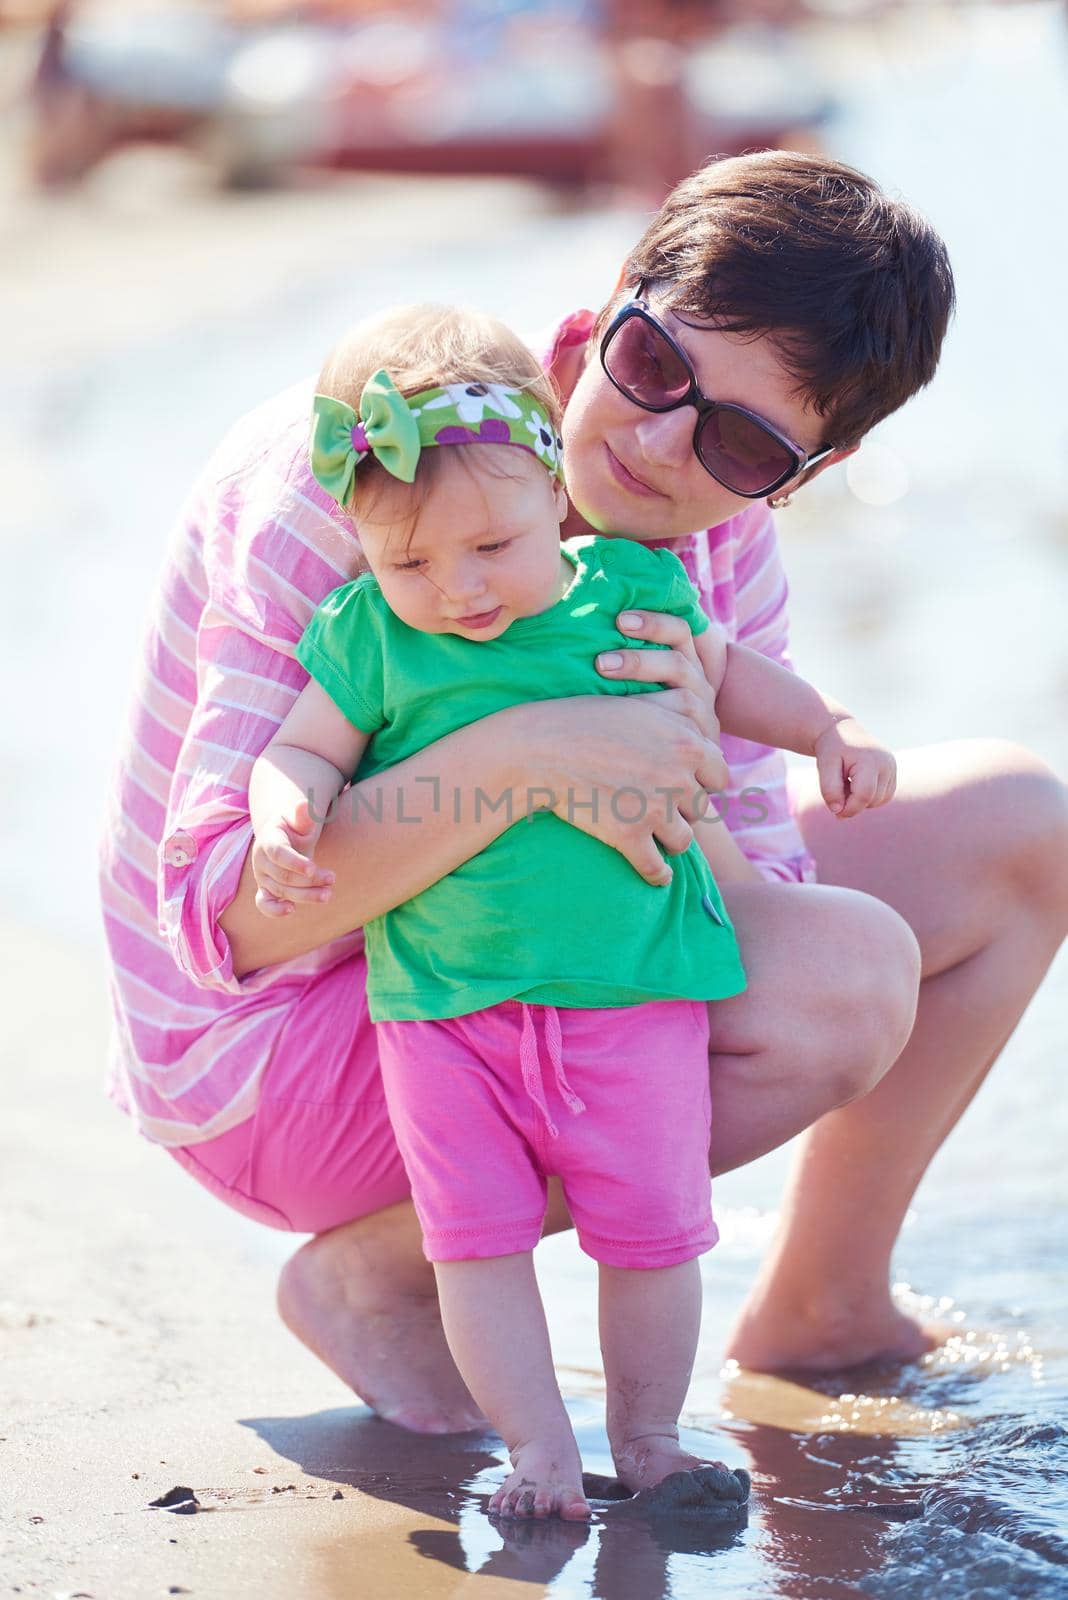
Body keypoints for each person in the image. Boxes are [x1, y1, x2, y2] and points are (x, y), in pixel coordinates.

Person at [97, 150, 1068, 1437]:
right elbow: (226, 921)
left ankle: (825, 1302)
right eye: (658, 368)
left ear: (808, 473)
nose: (661, 446)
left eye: (738, 439)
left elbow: (753, 906)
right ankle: (381, 1274)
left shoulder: (721, 541)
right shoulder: (377, 475)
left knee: (1021, 830)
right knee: (842, 987)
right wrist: (535, 751)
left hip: (495, 949)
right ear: (615, 295)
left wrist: (678, 756)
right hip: (265, 1050)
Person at [246, 303, 896, 1516]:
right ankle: (539, 1451)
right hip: (443, 1016)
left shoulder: (629, 587)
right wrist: (283, 811)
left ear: (553, 489)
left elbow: (732, 674)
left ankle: (647, 1433)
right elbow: (302, 749)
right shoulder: (370, 634)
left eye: (489, 545)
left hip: (631, 994)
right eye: (412, 561)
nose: (459, 587)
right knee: (476, 1246)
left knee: (653, 1234)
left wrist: (829, 729)